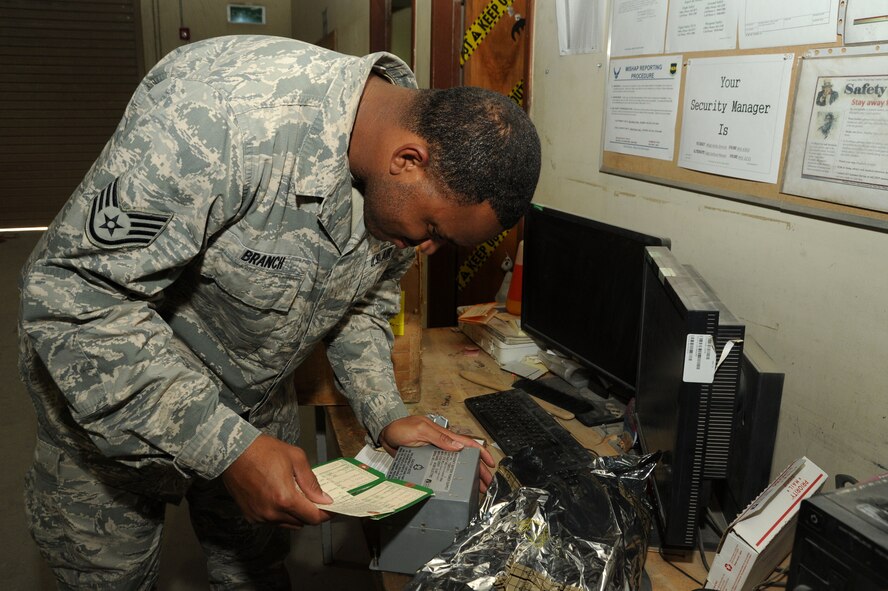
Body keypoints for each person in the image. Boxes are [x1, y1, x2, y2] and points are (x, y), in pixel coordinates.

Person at [18, 35, 541, 590]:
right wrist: (226, 447)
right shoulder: (217, 115)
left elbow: (361, 304)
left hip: (254, 407)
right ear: (407, 161)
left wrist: (384, 412)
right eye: (433, 230)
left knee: (256, 574)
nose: (424, 248)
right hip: (113, 421)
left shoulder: (398, 170)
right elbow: (74, 298)